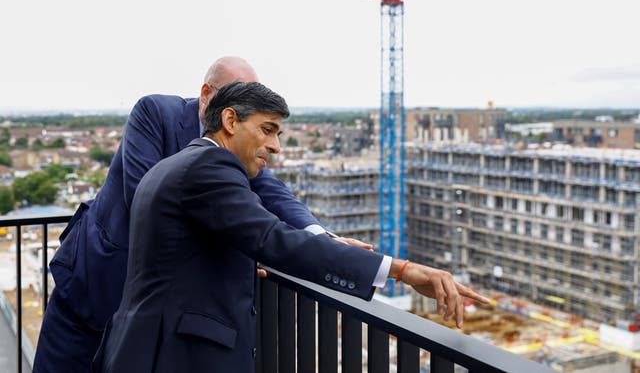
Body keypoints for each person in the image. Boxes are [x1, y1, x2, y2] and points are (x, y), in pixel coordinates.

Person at [92, 81, 489, 372]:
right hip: (177, 356)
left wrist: (247, 263)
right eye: (267, 129)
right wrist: (400, 270)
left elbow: (204, 246)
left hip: (145, 348)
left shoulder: (178, 164)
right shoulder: (210, 168)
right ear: (230, 120)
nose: (276, 146)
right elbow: (271, 238)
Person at [33, 57, 368, 372]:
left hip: (147, 317)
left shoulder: (238, 145)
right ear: (207, 94)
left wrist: (321, 237)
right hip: (94, 284)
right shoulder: (155, 112)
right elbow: (144, 200)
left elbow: (273, 193)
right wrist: (243, 251)